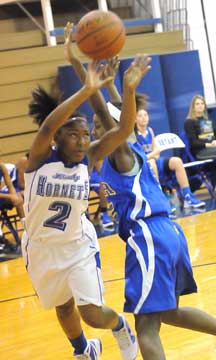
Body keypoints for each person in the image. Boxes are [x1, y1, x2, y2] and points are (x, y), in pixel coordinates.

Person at [64, 27, 216, 359]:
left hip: (148, 236)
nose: (95, 127)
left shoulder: (120, 151)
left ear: (114, 129)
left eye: (99, 125)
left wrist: (77, 63)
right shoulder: (127, 147)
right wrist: (114, 85)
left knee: (146, 326)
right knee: (168, 313)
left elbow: (108, 111)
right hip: (167, 233)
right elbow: (117, 110)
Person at [21, 55, 150, 359]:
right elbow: (47, 126)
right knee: (63, 308)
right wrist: (85, 89)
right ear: (57, 139)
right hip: (40, 249)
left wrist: (127, 91)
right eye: (73, 135)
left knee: (91, 313)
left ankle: (119, 326)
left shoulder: (89, 157)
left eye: (85, 135)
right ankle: (84, 350)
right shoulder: (39, 159)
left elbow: (122, 131)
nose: (82, 141)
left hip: (78, 246)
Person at [134, 106, 206, 209]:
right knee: (152, 164)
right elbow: (140, 156)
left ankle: (187, 197)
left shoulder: (150, 130)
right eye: (140, 116)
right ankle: (160, 201)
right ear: (135, 119)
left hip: (154, 160)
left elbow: (157, 152)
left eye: (145, 115)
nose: (143, 118)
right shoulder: (134, 134)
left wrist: (152, 155)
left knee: (177, 161)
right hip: (143, 164)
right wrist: (151, 155)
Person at [185, 94, 216, 160]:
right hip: (199, 151)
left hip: (213, 147)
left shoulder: (207, 120)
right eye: (197, 104)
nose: (200, 106)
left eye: (202, 103)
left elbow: (213, 136)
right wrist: (209, 145)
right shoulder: (189, 122)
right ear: (193, 107)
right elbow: (193, 143)